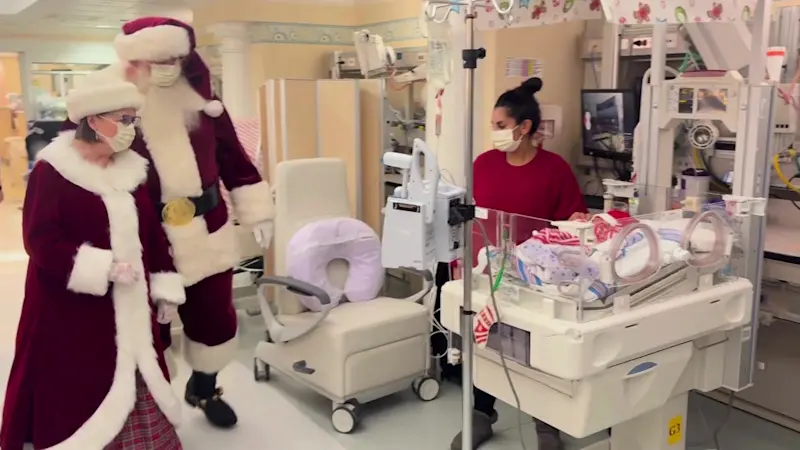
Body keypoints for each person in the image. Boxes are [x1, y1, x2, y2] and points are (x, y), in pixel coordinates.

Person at [0, 70, 186, 450]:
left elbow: (152, 235)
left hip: (133, 308)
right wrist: (101, 268)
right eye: (123, 119)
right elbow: (40, 241)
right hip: (72, 312)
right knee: (83, 391)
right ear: (92, 120)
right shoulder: (52, 173)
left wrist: (165, 287)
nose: (130, 129)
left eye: (133, 119)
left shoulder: (133, 172)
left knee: (140, 376)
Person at [114, 16, 275, 428]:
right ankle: (156, 408)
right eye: (158, 59)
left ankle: (204, 388)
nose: (168, 66)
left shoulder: (204, 103)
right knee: (152, 332)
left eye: (175, 58)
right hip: (146, 239)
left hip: (208, 232)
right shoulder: (111, 105)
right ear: (135, 60)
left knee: (215, 322)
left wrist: (255, 209)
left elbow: (233, 158)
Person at [450, 77, 589, 450]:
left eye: (500, 126)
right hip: (487, 273)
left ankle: (547, 426)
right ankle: (481, 414)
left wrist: (577, 224)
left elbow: (571, 224)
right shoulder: (483, 165)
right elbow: (470, 218)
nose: (494, 133)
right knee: (485, 346)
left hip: (535, 278)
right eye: (493, 126)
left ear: (524, 127)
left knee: (537, 352)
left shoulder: (554, 169)